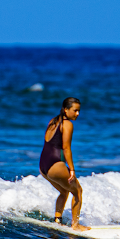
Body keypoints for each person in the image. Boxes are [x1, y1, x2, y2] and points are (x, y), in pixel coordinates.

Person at [39, 97, 87, 228]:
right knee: (78, 191)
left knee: (64, 191)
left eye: (79, 111)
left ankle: (57, 220)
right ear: (66, 110)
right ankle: (75, 225)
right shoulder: (67, 124)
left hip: (43, 165)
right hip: (55, 164)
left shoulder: (53, 121)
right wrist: (71, 168)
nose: (77, 114)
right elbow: (66, 148)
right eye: (75, 110)